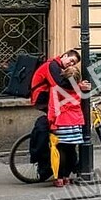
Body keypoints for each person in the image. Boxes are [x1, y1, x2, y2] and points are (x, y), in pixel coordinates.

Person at [29, 50, 85, 182]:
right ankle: (55, 169)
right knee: (66, 146)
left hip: (58, 113)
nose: (71, 63)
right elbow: (60, 84)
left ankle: (60, 173)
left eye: (74, 63)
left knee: (62, 146)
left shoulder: (59, 69)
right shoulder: (52, 66)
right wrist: (79, 87)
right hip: (42, 100)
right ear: (64, 56)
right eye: (71, 60)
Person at [47, 62, 90, 187]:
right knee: (72, 150)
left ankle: (59, 178)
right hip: (76, 122)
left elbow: (53, 108)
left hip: (62, 122)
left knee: (61, 151)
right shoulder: (78, 88)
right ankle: (66, 176)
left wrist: (51, 123)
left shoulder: (55, 89)